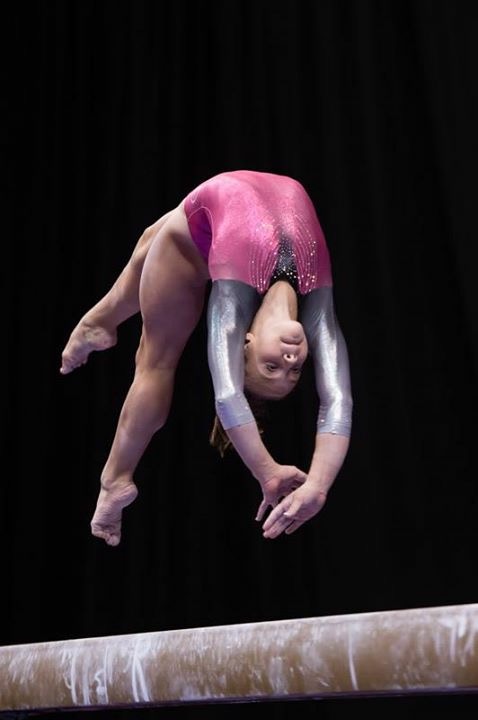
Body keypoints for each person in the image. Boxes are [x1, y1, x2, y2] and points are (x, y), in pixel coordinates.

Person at [60, 170, 353, 547]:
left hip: (196, 237)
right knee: (154, 236)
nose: (290, 358)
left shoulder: (232, 302)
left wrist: (267, 472)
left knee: (156, 359)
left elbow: (228, 396)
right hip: (210, 214)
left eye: (271, 366)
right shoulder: (318, 310)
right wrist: (317, 487)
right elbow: (338, 400)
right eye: (294, 370)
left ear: (244, 344)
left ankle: (114, 479)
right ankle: (98, 322)